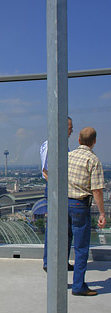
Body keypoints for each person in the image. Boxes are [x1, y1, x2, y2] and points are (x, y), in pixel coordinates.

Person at [68, 127, 106, 296]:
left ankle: (59, 282)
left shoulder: (68, 156)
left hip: (63, 204)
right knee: (81, 247)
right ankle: (78, 286)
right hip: (79, 205)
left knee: (62, 244)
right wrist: (102, 213)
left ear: (78, 140)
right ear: (94, 142)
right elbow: (97, 190)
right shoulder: (93, 160)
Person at [40, 117, 74, 272]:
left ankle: (62, 260)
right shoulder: (49, 145)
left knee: (66, 228)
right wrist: (57, 188)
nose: (71, 131)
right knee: (54, 227)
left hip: (64, 189)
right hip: (55, 190)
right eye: (69, 127)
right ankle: (49, 262)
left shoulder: (64, 146)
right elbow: (45, 172)